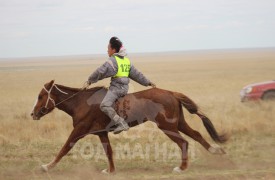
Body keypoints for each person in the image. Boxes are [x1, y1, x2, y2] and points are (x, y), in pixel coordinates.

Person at [86, 37, 156, 134]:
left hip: (116, 90)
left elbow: (100, 72)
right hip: (124, 89)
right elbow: (136, 74)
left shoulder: (112, 61)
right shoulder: (126, 61)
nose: (107, 50)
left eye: (108, 48)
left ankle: (121, 123)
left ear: (114, 50)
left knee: (104, 105)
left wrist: (90, 80)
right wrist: (147, 82)